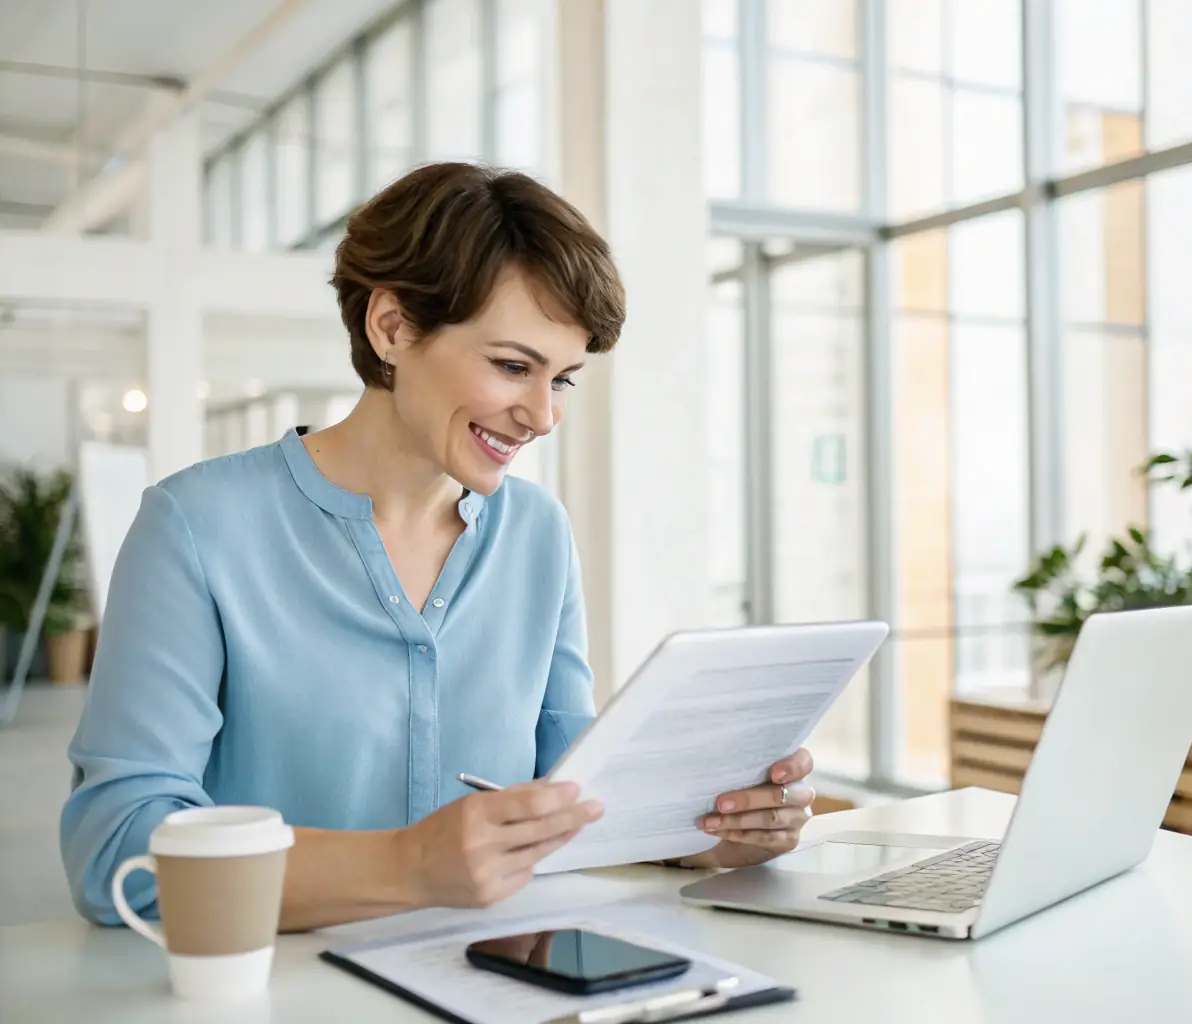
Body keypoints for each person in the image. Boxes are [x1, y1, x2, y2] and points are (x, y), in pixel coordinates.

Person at [59, 163, 818, 933]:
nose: (542, 416)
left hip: (493, 975)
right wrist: (407, 866)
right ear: (391, 327)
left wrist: (706, 832)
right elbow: (115, 852)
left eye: (562, 379)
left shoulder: (537, 534)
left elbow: (571, 797)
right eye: (513, 367)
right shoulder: (197, 526)